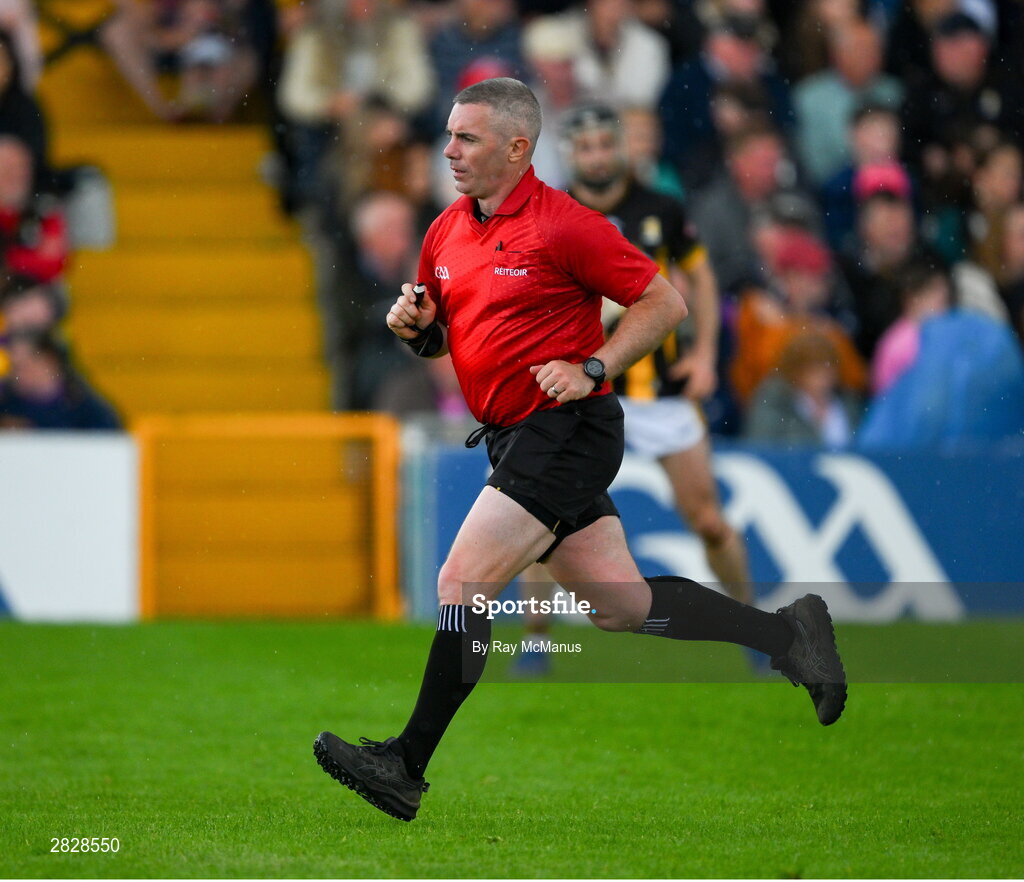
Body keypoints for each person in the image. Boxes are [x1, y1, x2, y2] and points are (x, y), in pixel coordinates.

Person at [312, 78, 847, 823]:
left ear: (517, 147)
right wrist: (418, 329)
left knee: (463, 582)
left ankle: (405, 764)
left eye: (466, 138)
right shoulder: (445, 229)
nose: (449, 150)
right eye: (449, 134)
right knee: (619, 607)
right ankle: (787, 635)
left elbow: (667, 303)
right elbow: (444, 336)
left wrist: (594, 364)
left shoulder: (565, 224)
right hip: (514, 436)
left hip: (567, 429)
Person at [513, 102, 755, 670]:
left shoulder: (662, 210)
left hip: (660, 393)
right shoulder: (548, 213)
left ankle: (751, 621)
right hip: (575, 390)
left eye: (605, 144)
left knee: (710, 521)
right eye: (585, 146)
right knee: (534, 517)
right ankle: (537, 640)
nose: (597, 156)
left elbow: (702, 277)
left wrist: (704, 355)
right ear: (570, 153)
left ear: (621, 147)